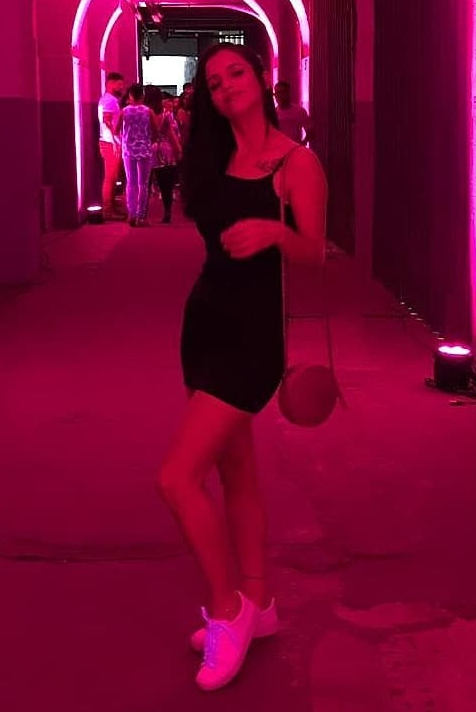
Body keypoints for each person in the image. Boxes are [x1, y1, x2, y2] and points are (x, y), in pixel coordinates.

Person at [156, 44, 327, 691]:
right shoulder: (214, 156)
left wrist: (277, 234)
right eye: (213, 81)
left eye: (235, 72)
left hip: (252, 338)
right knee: (237, 472)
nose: (226, 85)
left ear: (260, 78)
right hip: (204, 322)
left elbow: (315, 252)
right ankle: (259, 602)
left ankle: (226, 609)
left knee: (176, 478)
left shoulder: (295, 161)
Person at [117, 84, 159, 227]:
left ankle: (131, 214)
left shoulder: (124, 111)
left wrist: (124, 140)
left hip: (128, 151)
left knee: (131, 182)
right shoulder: (149, 111)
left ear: (130, 96)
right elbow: (156, 131)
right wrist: (149, 141)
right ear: (143, 95)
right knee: (143, 184)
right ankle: (141, 217)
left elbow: (116, 130)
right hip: (145, 151)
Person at [145, 85, 182, 224]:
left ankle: (142, 212)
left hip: (148, 150)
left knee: (145, 183)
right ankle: (167, 212)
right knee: (166, 185)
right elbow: (172, 134)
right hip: (165, 150)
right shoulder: (166, 115)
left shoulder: (144, 113)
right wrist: (178, 150)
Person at [98, 72, 126, 220]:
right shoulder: (109, 101)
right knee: (110, 178)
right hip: (110, 143)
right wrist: (115, 140)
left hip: (109, 142)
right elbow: (107, 120)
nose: (122, 87)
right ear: (111, 83)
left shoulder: (108, 99)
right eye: (119, 84)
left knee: (113, 177)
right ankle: (108, 210)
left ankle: (111, 207)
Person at [273, 80, 312, 146]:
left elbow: (310, 132)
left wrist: (302, 144)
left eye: (282, 92)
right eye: (277, 93)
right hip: (279, 149)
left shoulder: (299, 111)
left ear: (288, 93)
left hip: (293, 149)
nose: (279, 95)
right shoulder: (274, 113)